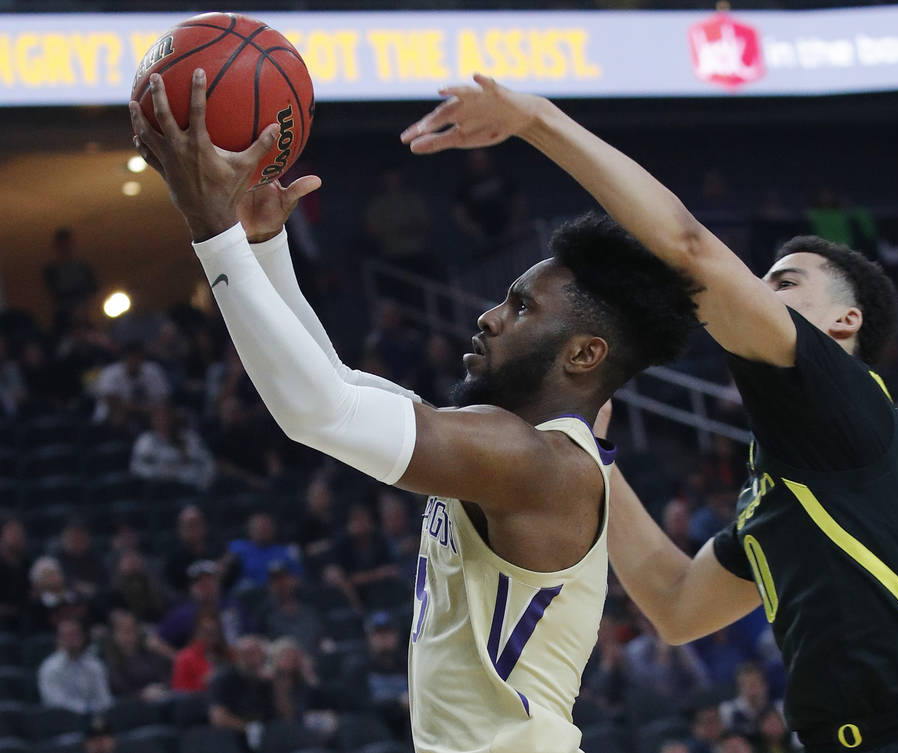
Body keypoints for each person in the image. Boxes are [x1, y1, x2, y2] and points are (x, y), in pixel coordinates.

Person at [397, 76, 898, 751]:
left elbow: (690, 250)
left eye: (783, 283)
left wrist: (537, 119)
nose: (753, 291)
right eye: (758, 279)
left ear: (846, 321)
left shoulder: (842, 391)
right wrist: (585, 452)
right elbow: (675, 602)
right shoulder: (789, 481)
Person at [130, 69, 698, 753]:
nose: (489, 317)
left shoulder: (536, 462)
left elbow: (321, 412)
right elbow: (333, 382)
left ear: (583, 354)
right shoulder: (505, 443)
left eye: (521, 307)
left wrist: (212, 232)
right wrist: (262, 245)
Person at [38, 618, 113, 713]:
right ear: (58, 640)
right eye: (67, 636)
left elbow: (105, 698)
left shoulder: (94, 664)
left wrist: (98, 709)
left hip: (95, 717)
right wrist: (86, 708)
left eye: (75, 634)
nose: (71, 639)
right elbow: (55, 703)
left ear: (82, 637)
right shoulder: (50, 668)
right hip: (62, 720)